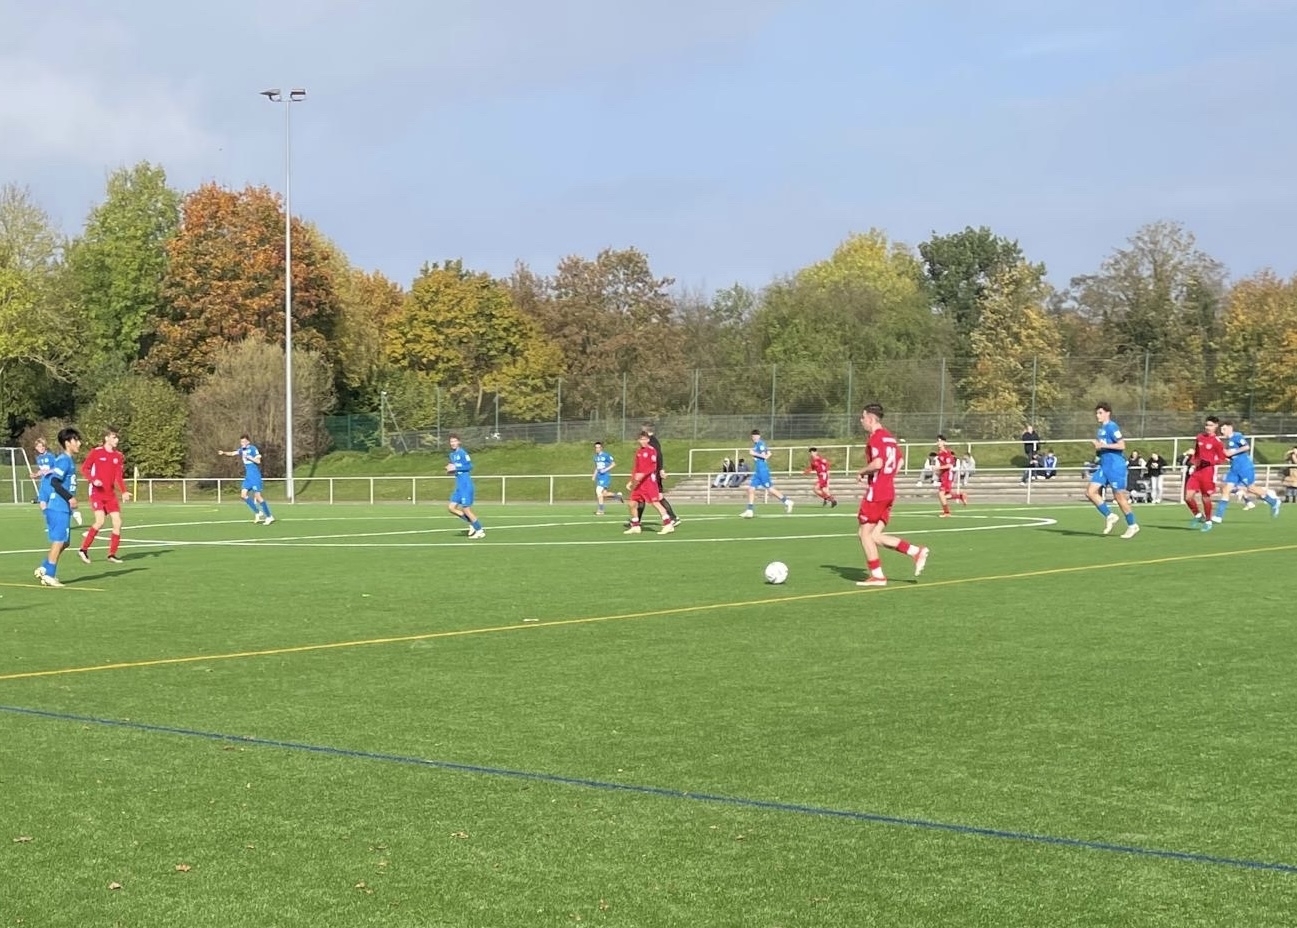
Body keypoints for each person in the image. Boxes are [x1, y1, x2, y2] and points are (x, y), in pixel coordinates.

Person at [855, 405, 928, 587]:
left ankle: (878, 576)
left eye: (863, 417)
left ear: (870, 419)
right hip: (888, 491)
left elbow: (878, 463)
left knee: (864, 534)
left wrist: (862, 471)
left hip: (877, 492)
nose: (861, 421)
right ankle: (915, 551)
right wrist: (888, 477)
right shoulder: (890, 437)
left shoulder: (876, 437)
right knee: (875, 536)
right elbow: (900, 460)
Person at [33, 427, 83, 588]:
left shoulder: (68, 460)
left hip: (63, 507)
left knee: (65, 542)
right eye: (76, 440)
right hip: (58, 506)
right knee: (60, 540)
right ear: (68, 442)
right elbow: (55, 481)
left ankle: (44, 567)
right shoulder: (63, 460)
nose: (79, 443)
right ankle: (49, 574)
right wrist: (70, 497)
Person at [1084, 402, 1140, 538]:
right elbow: (1102, 448)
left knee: (1119, 497)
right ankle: (1110, 515)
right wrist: (1098, 451)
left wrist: (1103, 445)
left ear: (1108, 413)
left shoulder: (1112, 426)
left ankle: (1132, 525)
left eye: (1100, 413)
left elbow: (1122, 445)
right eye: (1097, 413)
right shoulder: (1100, 430)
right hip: (1105, 466)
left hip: (1115, 466)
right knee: (1090, 492)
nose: (1097, 415)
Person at [77, 427, 131, 564]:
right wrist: (93, 480)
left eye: (117, 438)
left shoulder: (118, 456)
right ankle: (83, 549)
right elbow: (84, 468)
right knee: (100, 521)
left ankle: (112, 554)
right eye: (114, 437)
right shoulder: (96, 452)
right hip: (97, 492)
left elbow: (118, 476)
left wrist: (124, 491)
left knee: (118, 522)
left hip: (110, 494)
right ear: (106, 438)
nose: (117, 440)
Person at [1214, 421, 1281, 521]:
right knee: (1226, 489)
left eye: (1224, 429)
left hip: (1244, 467)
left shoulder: (1237, 436)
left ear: (1230, 428)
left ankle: (1273, 501)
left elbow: (1246, 446)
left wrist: (1232, 452)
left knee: (1251, 488)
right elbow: (1229, 454)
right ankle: (1218, 516)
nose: (1222, 432)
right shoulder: (1229, 441)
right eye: (1221, 430)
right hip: (1234, 468)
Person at [623, 431, 674, 535]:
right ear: (638, 440)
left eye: (645, 439)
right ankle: (636, 526)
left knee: (655, 503)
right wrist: (631, 480)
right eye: (641, 439)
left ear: (648, 440)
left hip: (649, 482)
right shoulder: (638, 452)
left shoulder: (652, 450)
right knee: (632, 503)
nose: (643, 441)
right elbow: (636, 468)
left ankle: (668, 524)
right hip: (639, 484)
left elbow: (652, 467)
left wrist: (642, 475)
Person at [218, 435, 274, 525]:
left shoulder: (253, 449)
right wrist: (223, 452)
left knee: (258, 497)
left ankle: (269, 516)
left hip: (255, 476)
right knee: (243, 495)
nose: (242, 443)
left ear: (248, 442)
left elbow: (258, 461)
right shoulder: (241, 450)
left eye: (244, 442)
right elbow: (232, 453)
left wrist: (250, 457)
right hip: (248, 477)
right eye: (241, 442)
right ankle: (258, 512)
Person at [1183, 416, 1226, 531]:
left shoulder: (1217, 442)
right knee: (1188, 497)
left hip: (1208, 473)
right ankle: (1198, 515)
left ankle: (1208, 521)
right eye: (1207, 425)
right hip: (1197, 471)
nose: (1208, 427)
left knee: (1205, 497)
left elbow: (1222, 459)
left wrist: (1209, 462)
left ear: (1216, 426)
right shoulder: (1200, 437)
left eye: (1210, 425)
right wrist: (1193, 464)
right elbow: (1197, 453)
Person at [742, 429, 793, 517]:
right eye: (753, 436)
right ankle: (749, 510)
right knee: (751, 489)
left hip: (763, 470)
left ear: (759, 436)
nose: (754, 438)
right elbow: (769, 453)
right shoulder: (757, 445)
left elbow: (764, 456)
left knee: (770, 489)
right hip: (758, 471)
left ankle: (787, 501)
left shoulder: (760, 444)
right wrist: (760, 454)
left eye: (756, 436)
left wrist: (754, 453)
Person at [639, 423, 681, 527]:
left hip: (652, 474)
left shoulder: (652, 442)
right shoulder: (651, 442)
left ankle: (636, 521)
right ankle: (673, 517)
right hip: (652, 473)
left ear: (647, 431)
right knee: (653, 496)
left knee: (647, 496)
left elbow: (658, 456)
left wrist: (660, 470)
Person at [445, 434, 485, 538]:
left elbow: (469, 466)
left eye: (455, 441)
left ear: (459, 442)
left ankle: (480, 530)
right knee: (451, 508)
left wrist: (456, 467)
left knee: (466, 509)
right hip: (459, 486)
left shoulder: (463, 453)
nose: (453, 443)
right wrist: (450, 470)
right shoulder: (452, 455)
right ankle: (472, 524)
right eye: (451, 441)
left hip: (466, 484)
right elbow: (454, 469)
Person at [935, 435, 967, 516]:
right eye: (938, 441)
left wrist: (938, 468)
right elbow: (943, 466)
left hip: (947, 476)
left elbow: (949, 465)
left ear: (944, 442)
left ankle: (947, 512)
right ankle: (960, 496)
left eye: (940, 441)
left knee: (941, 494)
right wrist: (939, 472)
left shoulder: (947, 453)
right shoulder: (939, 454)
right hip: (943, 476)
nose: (938, 443)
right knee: (945, 496)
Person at [591, 441, 623, 515]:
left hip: (605, 476)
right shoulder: (595, 457)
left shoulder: (606, 455)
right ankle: (617, 496)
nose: (597, 449)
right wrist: (594, 475)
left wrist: (605, 469)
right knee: (604, 494)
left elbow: (613, 464)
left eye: (598, 447)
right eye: (596, 447)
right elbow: (597, 467)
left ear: (601, 448)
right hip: (599, 477)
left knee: (598, 491)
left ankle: (601, 510)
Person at [30, 437, 55, 505]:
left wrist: (49, 471)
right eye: (39, 446)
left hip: (52, 483)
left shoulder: (51, 456)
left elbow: (58, 468)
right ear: (36, 448)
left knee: (52, 504)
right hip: (43, 483)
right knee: (42, 503)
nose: (41, 448)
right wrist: (36, 474)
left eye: (42, 446)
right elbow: (42, 471)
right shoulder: (38, 458)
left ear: (45, 447)